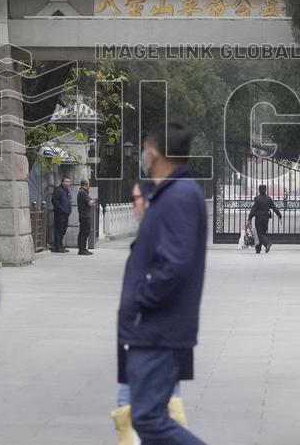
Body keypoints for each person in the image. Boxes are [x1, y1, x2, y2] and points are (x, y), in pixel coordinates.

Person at [117, 122, 207, 444]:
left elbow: (175, 265)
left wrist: (142, 297)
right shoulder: (172, 193)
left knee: (148, 418)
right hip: (153, 326)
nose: (143, 156)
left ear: (154, 154)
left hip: (157, 328)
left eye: (145, 150)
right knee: (148, 417)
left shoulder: (178, 196)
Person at [112, 182, 186, 444]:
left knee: (140, 418)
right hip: (140, 345)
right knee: (134, 418)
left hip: (151, 347)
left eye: (135, 199)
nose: (133, 206)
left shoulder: (161, 243)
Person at [247, 184, 281, 254]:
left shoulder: (257, 199)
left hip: (259, 218)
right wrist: (279, 215)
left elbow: (253, 209)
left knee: (259, 234)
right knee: (262, 233)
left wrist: (250, 218)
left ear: (259, 190)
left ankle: (267, 243)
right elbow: (274, 208)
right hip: (266, 218)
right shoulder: (269, 199)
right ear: (265, 190)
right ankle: (258, 249)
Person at [50, 175, 72, 253]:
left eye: (69, 182)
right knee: (58, 230)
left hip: (66, 214)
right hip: (59, 215)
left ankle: (61, 246)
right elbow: (54, 201)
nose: (68, 183)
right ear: (62, 182)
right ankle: (57, 247)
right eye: (66, 181)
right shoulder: (58, 190)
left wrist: (69, 210)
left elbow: (69, 202)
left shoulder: (67, 191)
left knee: (63, 231)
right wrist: (61, 210)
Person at [77, 177, 95, 255]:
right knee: (84, 232)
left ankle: (83, 248)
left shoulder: (84, 192)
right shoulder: (82, 192)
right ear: (86, 184)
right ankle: (81, 249)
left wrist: (91, 201)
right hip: (84, 216)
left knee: (85, 232)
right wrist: (91, 201)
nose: (89, 185)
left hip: (85, 215)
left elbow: (90, 201)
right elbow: (90, 202)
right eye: (88, 184)